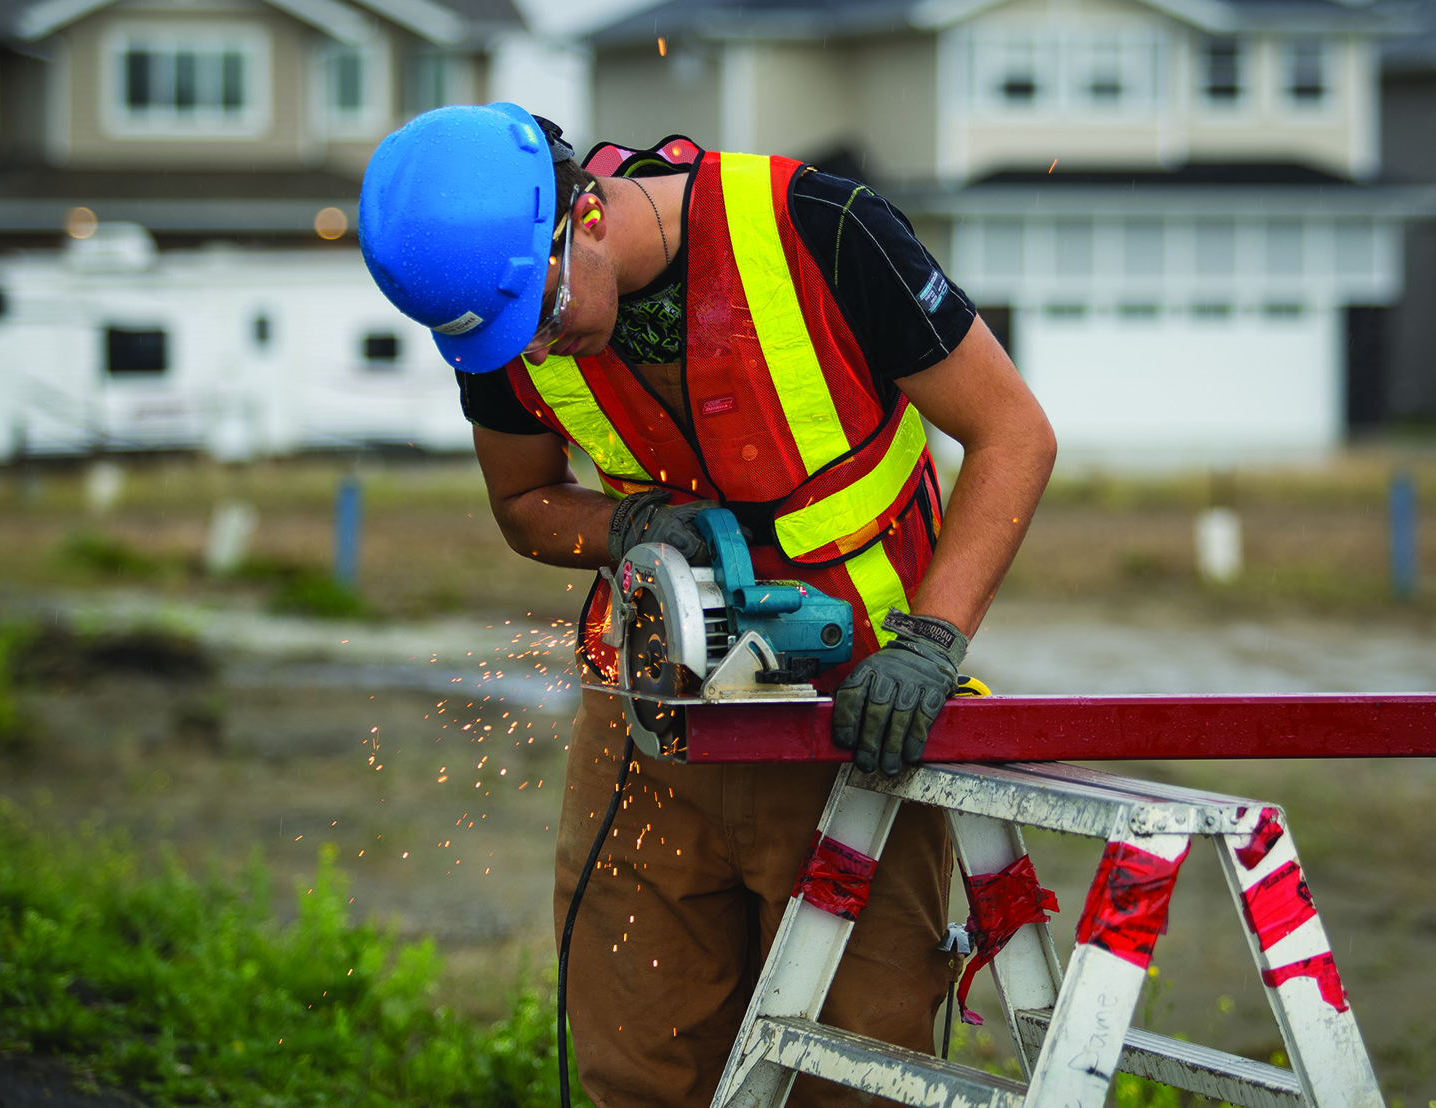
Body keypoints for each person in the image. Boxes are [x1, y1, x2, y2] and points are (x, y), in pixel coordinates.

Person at [358, 102, 1056, 1108]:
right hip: (651, 723)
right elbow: (523, 503)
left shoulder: (821, 230)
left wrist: (933, 640)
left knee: (854, 1066)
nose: (541, 350)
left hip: (858, 721)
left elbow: (1014, 435)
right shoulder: (502, 306)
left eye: (547, 316)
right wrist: (626, 526)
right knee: (641, 1060)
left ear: (583, 215)